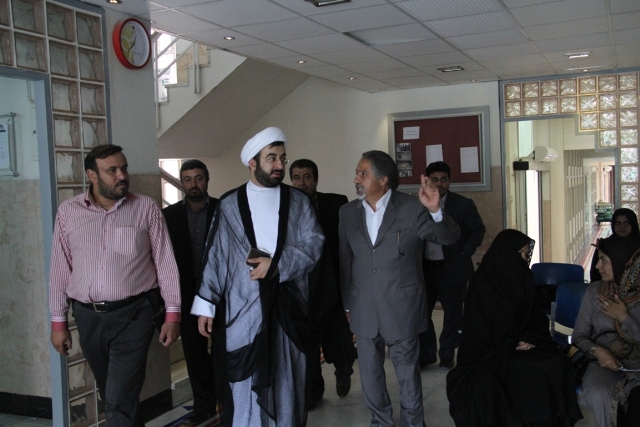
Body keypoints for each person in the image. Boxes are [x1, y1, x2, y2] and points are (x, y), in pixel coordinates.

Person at [192, 127, 324, 427]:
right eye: (271, 158)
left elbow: (314, 244)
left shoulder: (298, 202)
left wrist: (277, 265)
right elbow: (216, 257)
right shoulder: (229, 205)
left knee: (287, 384)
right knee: (244, 390)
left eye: (282, 158)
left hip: (288, 311)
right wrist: (206, 305)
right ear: (253, 163)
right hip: (244, 312)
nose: (279, 165)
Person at [49, 145, 181, 427]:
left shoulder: (145, 208)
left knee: (119, 396)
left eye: (124, 168)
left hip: (134, 315)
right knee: (114, 395)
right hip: (88, 317)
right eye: (112, 170)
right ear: (92, 175)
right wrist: (58, 321)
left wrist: (173, 314)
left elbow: (166, 263)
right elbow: (60, 268)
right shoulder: (69, 212)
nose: (122, 175)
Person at [339, 150, 460, 427]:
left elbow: (448, 237)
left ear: (383, 180)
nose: (356, 179)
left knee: (407, 375)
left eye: (363, 173)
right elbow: (346, 262)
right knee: (369, 375)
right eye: (357, 173)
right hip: (363, 307)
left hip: (401, 306)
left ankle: (413, 423)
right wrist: (347, 304)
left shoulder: (411, 207)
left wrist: (435, 210)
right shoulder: (347, 213)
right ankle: (380, 421)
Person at [446, 229, 582, 427]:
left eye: (527, 254)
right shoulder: (482, 284)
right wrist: (510, 343)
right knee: (484, 384)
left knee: (554, 364)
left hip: (522, 347)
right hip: (487, 353)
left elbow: (536, 319)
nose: (525, 259)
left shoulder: (524, 278)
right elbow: (479, 331)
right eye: (522, 254)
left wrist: (532, 338)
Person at [289, 159, 356, 410]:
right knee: (307, 342)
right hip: (302, 286)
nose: (301, 183)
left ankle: (343, 370)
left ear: (315, 180)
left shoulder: (336, 203)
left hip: (333, 283)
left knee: (339, 337)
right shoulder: (285, 207)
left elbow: (347, 243)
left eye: (307, 177)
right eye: (296, 177)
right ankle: (314, 392)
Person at [162, 160, 219, 423]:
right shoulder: (169, 215)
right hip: (185, 295)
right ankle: (204, 405)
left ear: (207, 179)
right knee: (194, 355)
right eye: (187, 179)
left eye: (198, 178)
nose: (193, 184)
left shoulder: (223, 209)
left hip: (219, 293)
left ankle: (228, 402)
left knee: (222, 350)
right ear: (181, 183)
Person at [419, 161, 486, 370]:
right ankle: (426, 354)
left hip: (453, 267)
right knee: (422, 312)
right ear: (427, 180)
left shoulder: (462, 204)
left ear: (449, 180)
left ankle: (447, 353)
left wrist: (464, 252)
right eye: (434, 179)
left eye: (444, 179)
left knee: (453, 314)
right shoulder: (419, 204)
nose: (439, 184)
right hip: (425, 268)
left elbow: (478, 230)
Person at [572, 235, 640, 427]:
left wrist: (623, 317)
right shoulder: (595, 291)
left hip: (637, 365)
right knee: (597, 392)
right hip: (602, 363)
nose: (597, 266)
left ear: (622, 262)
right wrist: (598, 351)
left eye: (604, 261)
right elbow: (579, 336)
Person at [590, 208, 640, 281]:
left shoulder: (638, 246)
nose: (622, 227)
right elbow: (595, 275)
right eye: (618, 223)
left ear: (633, 224)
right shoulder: (605, 245)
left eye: (626, 223)